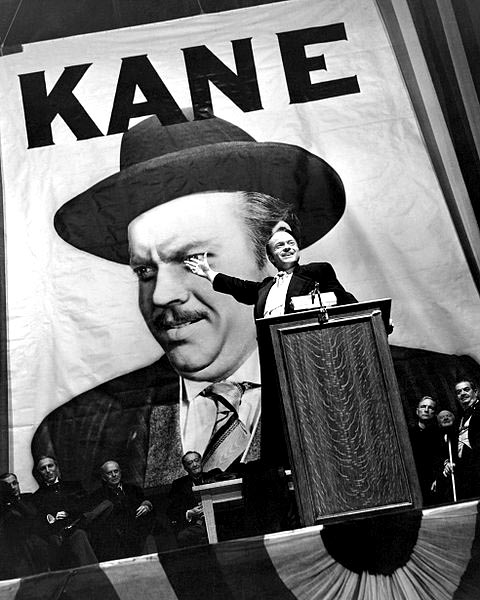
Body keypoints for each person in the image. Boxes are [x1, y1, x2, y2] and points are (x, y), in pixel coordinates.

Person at [32, 114, 350, 491]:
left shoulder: (408, 382)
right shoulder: (72, 434)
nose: (162, 295)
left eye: (191, 261)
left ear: (271, 250)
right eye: (145, 272)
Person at [184, 228, 356, 318]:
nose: (287, 247)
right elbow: (238, 286)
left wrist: (379, 318)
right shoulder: (265, 287)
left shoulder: (317, 271)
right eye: (280, 245)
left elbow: (344, 300)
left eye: (291, 243)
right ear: (272, 258)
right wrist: (208, 273)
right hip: (273, 351)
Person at [32, 456, 97, 569]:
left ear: (56, 467)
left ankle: (92, 574)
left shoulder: (74, 486)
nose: (48, 470)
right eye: (43, 468)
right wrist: (51, 517)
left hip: (77, 527)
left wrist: (68, 512)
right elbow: (39, 521)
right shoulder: (37, 496)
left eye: (50, 466)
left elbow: (86, 506)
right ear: (39, 473)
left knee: (79, 535)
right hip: (56, 534)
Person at [86, 460, 153, 561]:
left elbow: (145, 501)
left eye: (116, 471)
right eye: (109, 473)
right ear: (104, 477)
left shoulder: (133, 489)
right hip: (113, 537)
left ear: (120, 473)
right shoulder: (97, 495)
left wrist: (146, 506)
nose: (114, 475)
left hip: (137, 530)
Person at [0, 473, 49, 578]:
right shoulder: (3, 506)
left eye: (14, 483)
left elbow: (34, 518)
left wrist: (16, 501)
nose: (13, 487)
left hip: (34, 539)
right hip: (14, 545)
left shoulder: (29, 498)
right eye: (8, 486)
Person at [167, 451, 220, 547]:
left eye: (196, 460)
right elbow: (171, 510)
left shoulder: (215, 475)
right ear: (185, 468)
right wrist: (190, 512)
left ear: (201, 461)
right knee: (183, 536)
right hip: (195, 524)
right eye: (190, 463)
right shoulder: (178, 485)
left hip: (218, 520)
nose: (195, 465)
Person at [408, 396, 443, 506]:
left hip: (434, 482)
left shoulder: (439, 434)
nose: (426, 410)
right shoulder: (408, 434)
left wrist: (438, 478)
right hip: (414, 482)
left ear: (434, 413)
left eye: (430, 408)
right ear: (417, 411)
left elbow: (440, 457)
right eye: (423, 407)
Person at [454, 380, 480, 500]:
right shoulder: (460, 417)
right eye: (459, 392)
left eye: (466, 389)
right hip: (467, 473)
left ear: (475, 392)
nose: (462, 393)